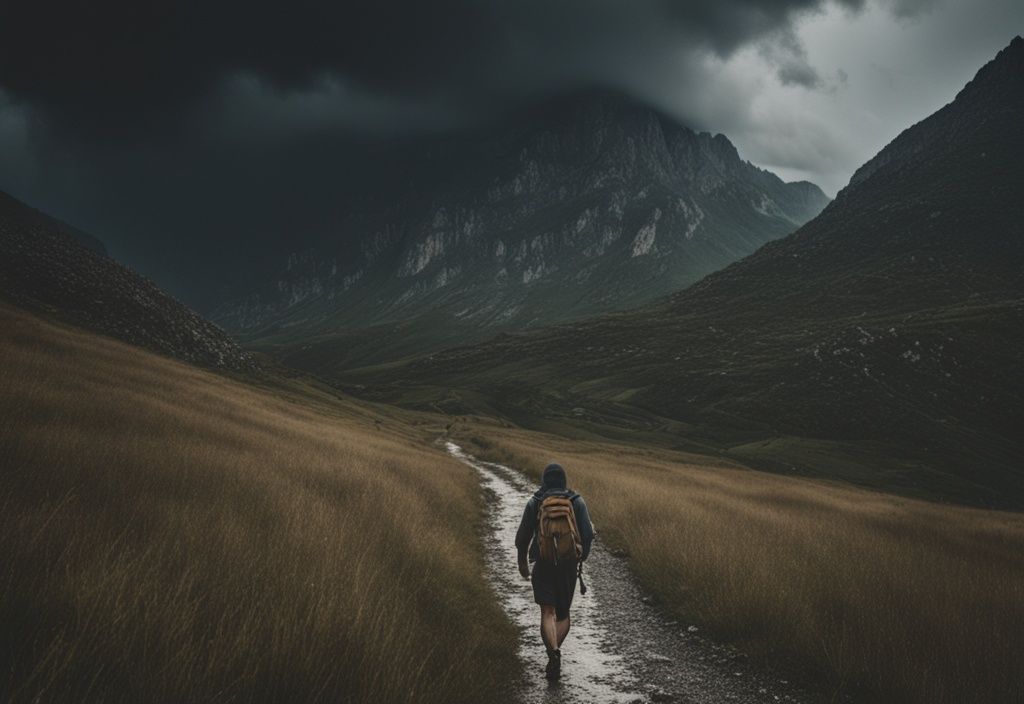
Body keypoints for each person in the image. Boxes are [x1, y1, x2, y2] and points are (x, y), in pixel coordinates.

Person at [515, 462, 594, 680]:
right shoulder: (577, 501)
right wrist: (582, 556)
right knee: (564, 614)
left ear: (544, 480)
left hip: (543, 562)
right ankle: (556, 651)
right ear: (563, 480)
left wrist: (522, 562)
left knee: (547, 612)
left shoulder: (536, 502)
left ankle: (553, 653)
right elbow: (587, 535)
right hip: (568, 565)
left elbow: (523, 536)